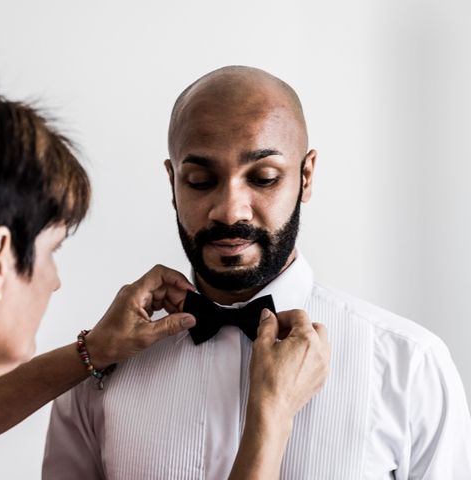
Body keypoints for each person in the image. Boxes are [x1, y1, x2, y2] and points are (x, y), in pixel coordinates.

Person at [0, 81, 329, 479]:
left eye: (262, 178)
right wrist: (271, 419)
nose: (55, 282)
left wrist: (91, 351)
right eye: (52, 251)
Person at [37, 66, 471, 479]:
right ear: (172, 183)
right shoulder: (97, 372)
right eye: (200, 180)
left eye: (263, 178)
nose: (230, 210)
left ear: (306, 176)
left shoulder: (409, 366)